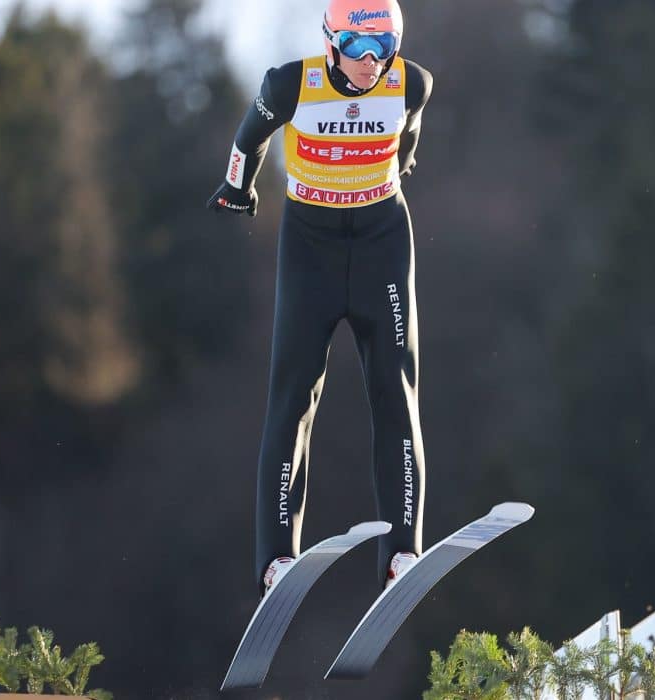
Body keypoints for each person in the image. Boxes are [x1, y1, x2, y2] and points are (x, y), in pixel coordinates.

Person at [207, 0, 432, 596]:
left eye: (383, 47)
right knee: (293, 398)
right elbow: (249, 138)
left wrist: (403, 162)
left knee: (395, 392)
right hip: (312, 248)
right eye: (356, 46)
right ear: (330, 41)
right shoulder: (291, 84)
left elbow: (408, 132)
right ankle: (277, 559)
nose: (369, 61)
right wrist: (237, 188)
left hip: (383, 243)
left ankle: (402, 551)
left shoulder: (411, 83)